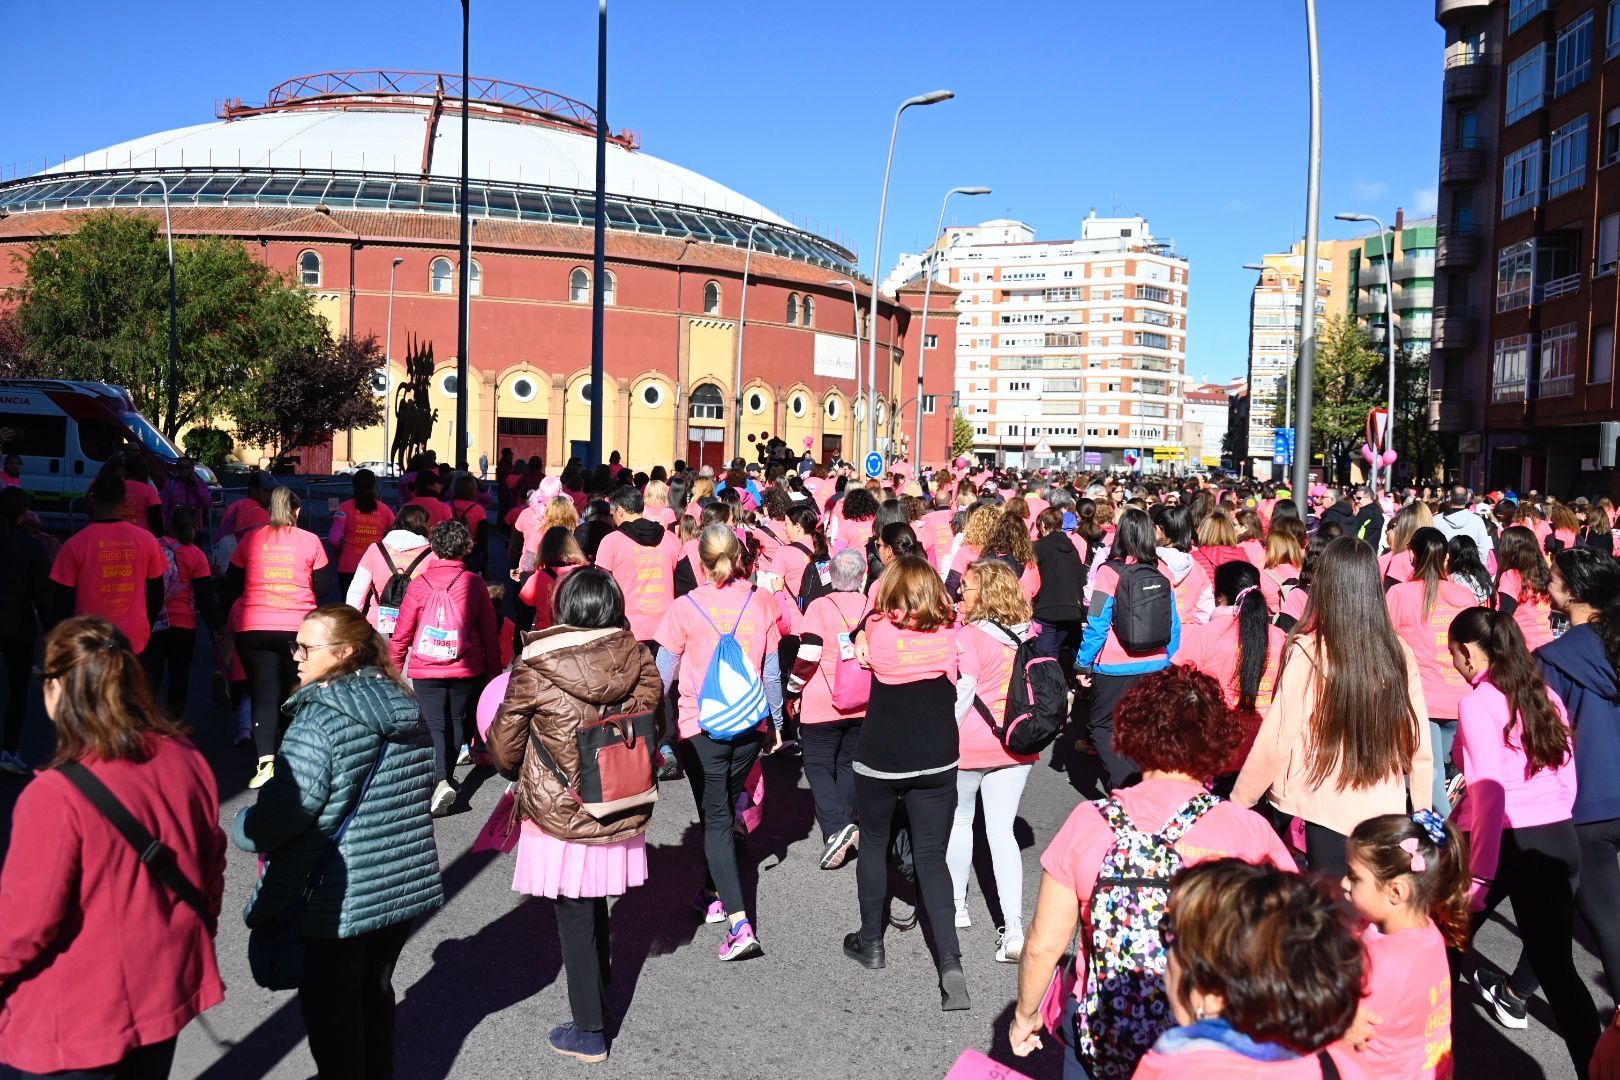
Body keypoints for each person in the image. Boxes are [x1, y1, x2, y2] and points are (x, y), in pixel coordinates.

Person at [1008, 667, 1294, 1079]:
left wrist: (1025, 1014)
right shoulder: (1247, 831)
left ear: (1133, 734)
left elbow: (1042, 947)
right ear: (1215, 740)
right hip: (1208, 1044)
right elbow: (1291, 939)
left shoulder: (1091, 821)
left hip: (1105, 1033)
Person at [0, 616, 225, 1079]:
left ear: (58, 688)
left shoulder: (54, 796)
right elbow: (211, 865)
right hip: (163, 989)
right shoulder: (185, 757)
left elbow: (23, 925)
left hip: (76, 1018)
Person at [232, 604, 443, 1080]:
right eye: (297, 646)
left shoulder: (318, 720)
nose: (296, 657)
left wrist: (244, 824)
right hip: (399, 885)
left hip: (335, 896)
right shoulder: (401, 701)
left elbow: (284, 815)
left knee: (334, 1017)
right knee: (374, 993)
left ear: (345, 651)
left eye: (307, 648)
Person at [488, 568, 661, 1064]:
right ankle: (599, 993)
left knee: (573, 915)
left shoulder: (535, 665)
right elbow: (657, 726)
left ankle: (589, 1029)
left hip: (561, 806)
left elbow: (504, 748)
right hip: (619, 794)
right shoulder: (638, 657)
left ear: (565, 608)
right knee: (591, 906)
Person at [1447, 607, 1601, 1069]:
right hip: (1555, 837)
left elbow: (1490, 793)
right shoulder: (1544, 695)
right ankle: (1597, 1067)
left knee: (1443, 950)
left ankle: (1426, 1054)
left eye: (1454, 652)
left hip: (1501, 840)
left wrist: (1479, 877)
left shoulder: (1478, 703)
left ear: (1471, 653)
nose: (1453, 662)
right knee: (1558, 971)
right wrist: (1558, 816)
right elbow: (1569, 771)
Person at [1233, 537, 1434, 874]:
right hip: (1385, 806)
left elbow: (1277, 738)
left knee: (1330, 911)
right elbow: (1416, 741)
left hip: (1323, 806)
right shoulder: (1398, 651)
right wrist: (1422, 810)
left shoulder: (1309, 651)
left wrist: (1240, 801)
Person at [1113, 860, 1372, 1080]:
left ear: (1215, 990)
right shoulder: (1339, 1066)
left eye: (1172, 935)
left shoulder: (1175, 1067)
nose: (1166, 953)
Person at [654, 524, 783, 962]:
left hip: (701, 730)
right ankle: (711, 889)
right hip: (749, 725)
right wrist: (776, 723)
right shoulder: (762, 603)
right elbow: (770, 673)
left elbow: (661, 676)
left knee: (715, 819)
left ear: (701, 561)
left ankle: (738, 922)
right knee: (723, 810)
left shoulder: (683, 609)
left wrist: (654, 729)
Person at [844, 554, 967, 1010]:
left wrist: (861, 629)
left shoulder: (878, 634)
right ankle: (950, 961)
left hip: (881, 755)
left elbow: (870, 617)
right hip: (937, 756)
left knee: (874, 842)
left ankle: (871, 942)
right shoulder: (951, 637)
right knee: (932, 856)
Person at [1540, 548, 1620, 1015]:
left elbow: (1542, 735)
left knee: (1606, 924)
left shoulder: (1554, 658)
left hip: (1585, 801)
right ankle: (1517, 989)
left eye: (1552, 579)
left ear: (1572, 592)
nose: (1546, 585)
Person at [948, 559, 1039, 963]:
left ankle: (956, 906)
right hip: (1016, 744)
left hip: (969, 745)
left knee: (960, 821)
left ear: (983, 593)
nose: (959, 593)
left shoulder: (968, 638)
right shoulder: (1027, 635)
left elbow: (961, 698)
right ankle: (1014, 930)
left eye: (965, 587)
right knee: (1002, 833)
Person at [1341, 812, 1466, 1080]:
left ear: (1396, 892)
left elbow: (1348, 1033)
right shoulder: (1427, 931)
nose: (1344, 883)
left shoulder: (1385, 963)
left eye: (1354, 877)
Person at [389, 520, 501, 817]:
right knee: (457, 722)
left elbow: (402, 632)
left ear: (434, 548)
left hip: (427, 667)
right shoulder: (474, 583)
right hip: (465, 666)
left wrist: (392, 667)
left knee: (435, 724)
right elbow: (488, 630)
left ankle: (441, 781)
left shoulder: (419, 583)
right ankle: (446, 777)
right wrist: (494, 670)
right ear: (466, 548)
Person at [227, 486, 333, 789]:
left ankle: (266, 763)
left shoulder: (251, 538)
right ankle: (295, 757)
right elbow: (323, 587)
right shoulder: (311, 540)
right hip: (297, 629)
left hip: (254, 627)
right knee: (296, 693)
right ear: (296, 511)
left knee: (264, 694)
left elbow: (233, 581)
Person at [1077, 507, 1181, 789]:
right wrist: (1168, 658)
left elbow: (1097, 622)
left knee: (1102, 727)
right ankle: (1140, 783)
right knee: (1140, 727)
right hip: (1155, 663)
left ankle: (1124, 784)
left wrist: (1083, 662)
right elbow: (1173, 622)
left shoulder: (1109, 572)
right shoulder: (1162, 570)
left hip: (1113, 665)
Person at [1387, 528, 1486, 816]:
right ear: (1446, 558)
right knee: (1441, 773)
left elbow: (1385, 644)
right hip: (1463, 694)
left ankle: (1447, 837)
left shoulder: (1399, 594)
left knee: (1427, 776)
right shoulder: (1464, 595)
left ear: (1411, 555)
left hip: (1421, 700)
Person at [784, 548, 869, 870]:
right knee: (848, 763)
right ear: (862, 576)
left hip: (824, 697)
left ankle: (836, 828)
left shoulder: (819, 606)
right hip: (863, 699)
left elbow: (808, 653)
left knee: (818, 765)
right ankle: (845, 827)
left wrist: (792, 689)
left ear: (830, 576)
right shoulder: (870, 607)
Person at [1174, 560, 1284, 781]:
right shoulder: (1280, 637)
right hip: (1264, 752)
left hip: (1214, 749)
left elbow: (1176, 684)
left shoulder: (1207, 634)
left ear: (1221, 597)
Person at [49, 474, 168, 656]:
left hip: (90, 642)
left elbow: (61, 602)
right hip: (134, 639)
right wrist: (146, 624)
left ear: (92, 499)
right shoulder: (147, 540)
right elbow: (157, 591)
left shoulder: (74, 544)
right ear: (124, 500)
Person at [145, 505, 218, 718]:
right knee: (179, 676)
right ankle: (173, 722)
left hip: (155, 619)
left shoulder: (155, 547)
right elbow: (204, 598)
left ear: (169, 524)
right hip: (183, 624)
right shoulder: (196, 556)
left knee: (152, 675)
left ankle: (147, 722)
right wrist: (215, 627)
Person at [594, 486, 681, 649]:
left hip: (627, 630)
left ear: (619, 511)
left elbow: (602, 589)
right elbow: (684, 583)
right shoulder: (671, 539)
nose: (613, 519)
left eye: (613, 514)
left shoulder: (611, 542)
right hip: (667, 630)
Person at [0, 486, 48, 773]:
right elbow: (42, 595)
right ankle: (9, 749)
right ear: (23, 513)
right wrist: (54, 630)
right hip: (17, 625)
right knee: (17, 691)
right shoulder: (29, 546)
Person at [345, 504, 435, 636]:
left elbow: (357, 592)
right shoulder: (432, 554)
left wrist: (351, 625)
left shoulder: (375, 549)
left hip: (378, 627)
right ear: (425, 525)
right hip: (416, 628)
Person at [329, 469, 396, 597]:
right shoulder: (385, 510)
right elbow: (396, 534)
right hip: (376, 566)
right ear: (374, 486)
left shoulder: (344, 508)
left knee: (350, 611)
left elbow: (333, 538)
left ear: (354, 486)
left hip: (349, 567)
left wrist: (339, 549)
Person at [1032, 507, 1085, 663]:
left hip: (1047, 608)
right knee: (1054, 650)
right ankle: (1056, 681)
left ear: (1042, 525)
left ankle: (1046, 683)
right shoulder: (1072, 548)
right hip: (1071, 609)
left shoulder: (1038, 548)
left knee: (1042, 654)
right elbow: (1081, 578)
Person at [1494, 524, 1558, 651]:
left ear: (1509, 549)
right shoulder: (1541, 574)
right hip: (1546, 643)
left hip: (1523, 648)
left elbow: (1505, 617)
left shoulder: (1511, 576)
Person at [518, 526, 588, 633]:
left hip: (546, 640)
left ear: (544, 549)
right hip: (577, 639)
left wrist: (518, 648)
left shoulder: (537, 579)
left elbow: (523, 621)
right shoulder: (585, 575)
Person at [1155, 504, 1214, 626]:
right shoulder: (1197, 568)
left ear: (1159, 529)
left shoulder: (1149, 564)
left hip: (1156, 637)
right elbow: (1206, 609)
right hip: (1190, 635)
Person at [1435, 484, 1494, 559]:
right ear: (1467, 499)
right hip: (1469, 567)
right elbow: (1483, 548)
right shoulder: (1477, 520)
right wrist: (1479, 567)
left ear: (1450, 497)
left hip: (1445, 566)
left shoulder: (1437, 520)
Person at [161, 457, 214, 537]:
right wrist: (164, 529)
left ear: (192, 468)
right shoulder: (171, 484)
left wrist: (197, 485)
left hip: (194, 530)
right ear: (177, 468)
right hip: (176, 530)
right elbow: (164, 509)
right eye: (180, 466)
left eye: (187, 467)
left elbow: (208, 504)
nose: (183, 469)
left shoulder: (200, 484)